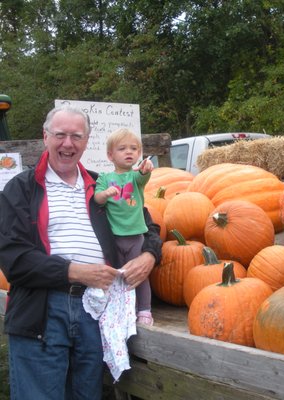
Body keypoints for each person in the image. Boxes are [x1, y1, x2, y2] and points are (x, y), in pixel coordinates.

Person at [0, 106, 162, 399]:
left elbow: (148, 225)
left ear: (87, 142)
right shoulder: (22, 189)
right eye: (60, 135)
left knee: (86, 394)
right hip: (42, 310)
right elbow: (14, 259)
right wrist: (74, 271)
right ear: (45, 137)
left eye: (76, 136)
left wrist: (148, 257)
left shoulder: (103, 185)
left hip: (95, 312)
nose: (68, 143)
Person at [94, 128, 155, 325]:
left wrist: (146, 167)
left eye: (134, 148)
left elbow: (144, 175)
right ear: (110, 155)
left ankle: (144, 309)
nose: (129, 152)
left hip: (136, 236)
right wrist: (105, 194)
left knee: (138, 275)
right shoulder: (104, 178)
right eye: (122, 148)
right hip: (115, 237)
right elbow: (97, 199)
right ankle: (122, 308)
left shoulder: (135, 177)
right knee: (118, 275)